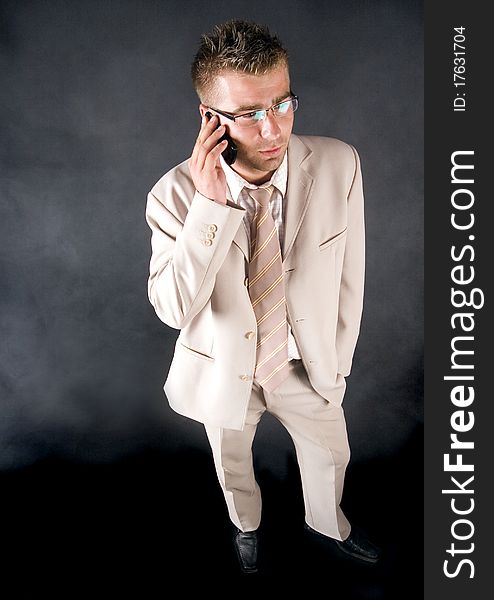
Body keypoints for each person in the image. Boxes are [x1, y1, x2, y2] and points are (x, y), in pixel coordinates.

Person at [145, 19, 380, 573]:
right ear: (212, 120)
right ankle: (245, 530)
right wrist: (210, 206)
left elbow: (352, 276)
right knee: (232, 467)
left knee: (331, 457)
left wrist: (337, 362)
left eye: (281, 103)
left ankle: (330, 526)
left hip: (305, 365)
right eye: (249, 113)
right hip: (226, 370)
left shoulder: (339, 164)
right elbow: (174, 308)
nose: (272, 128)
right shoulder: (172, 195)